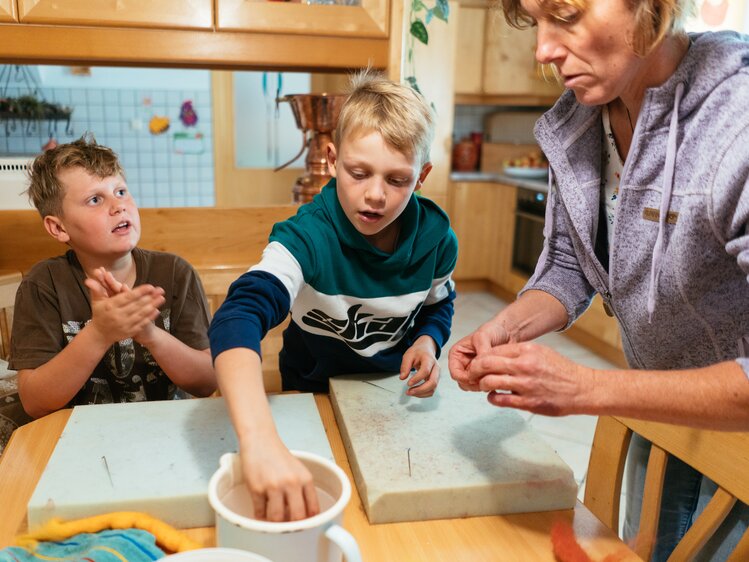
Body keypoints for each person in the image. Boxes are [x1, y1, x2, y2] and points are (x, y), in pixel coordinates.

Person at [448, 1, 749, 559]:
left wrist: (587, 389)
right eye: (535, 21)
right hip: (660, 416)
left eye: (565, 14)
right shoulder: (584, 118)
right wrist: (505, 326)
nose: (542, 50)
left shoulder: (736, 125)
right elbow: (569, 263)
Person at [209, 72, 458, 523]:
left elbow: (438, 305)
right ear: (332, 159)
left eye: (397, 180)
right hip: (312, 392)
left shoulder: (438, 240)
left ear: (422, 177)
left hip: (389, 394)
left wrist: (427, 342)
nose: (375, 195)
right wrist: (260, 440)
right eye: (358, 173)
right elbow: (237, 316)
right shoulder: (307, 237)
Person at [9, 134, 216, 418]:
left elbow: (207, 382)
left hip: (165, 431)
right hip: (76, 437)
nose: (118, 206)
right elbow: (35, 402)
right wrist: (99, 333)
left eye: (120, 192)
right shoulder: (44, 284)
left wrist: (150, 334)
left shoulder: (175, 273)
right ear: (58, 228)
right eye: (95, 199)